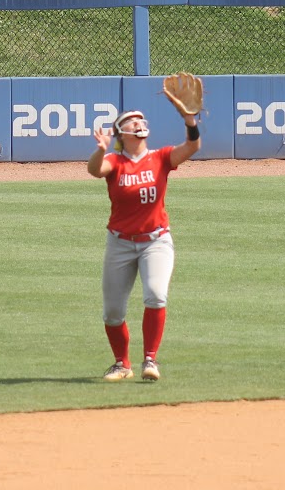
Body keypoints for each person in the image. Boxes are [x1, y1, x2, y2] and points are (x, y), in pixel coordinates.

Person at [86, 86, 201, 382]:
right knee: (112, 312)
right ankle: (122, 365)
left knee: (156, 295)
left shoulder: (161, 158)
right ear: (121, 132)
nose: (138, 122)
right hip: (120, 243)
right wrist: (100, 150)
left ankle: (151, 360)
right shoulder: (116, 161)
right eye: (131, 120)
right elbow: (95, 171)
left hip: (156, 241)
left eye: (141, 119)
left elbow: (191, 148)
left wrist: (190, 122)